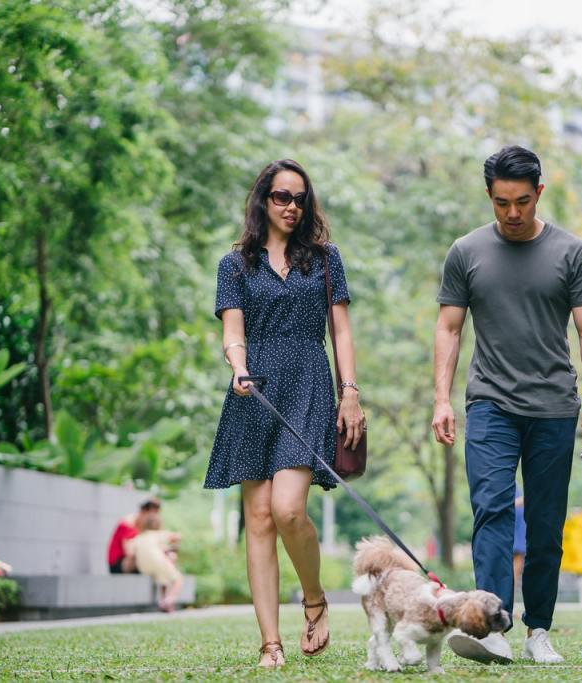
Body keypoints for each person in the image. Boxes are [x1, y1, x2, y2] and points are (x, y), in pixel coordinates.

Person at [432, 145, 582, 664]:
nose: (513, 213)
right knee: (491, 510)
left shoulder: (572, 252)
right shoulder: (466, 251)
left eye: (523, 201)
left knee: (547, 525)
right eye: (502, 202)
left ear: (540, 193)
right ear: (488, 195)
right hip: (489, 401)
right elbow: (448, 327)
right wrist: (442, 399)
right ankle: (490, 627)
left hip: (554, 405)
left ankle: (538, 631)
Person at [203, 159, 365, 669]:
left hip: (309, 381)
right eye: (281, 197)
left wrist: (351, 391)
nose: (292, 206)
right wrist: (238, 365)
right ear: (263, 201)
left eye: (299, 198)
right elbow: (233, 330)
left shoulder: (324, 258)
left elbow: (340, 329)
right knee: (257, 518)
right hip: (255, 390)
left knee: (288, 508)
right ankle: (270, 642)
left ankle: (314, 599)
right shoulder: (235, 264)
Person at [127, 516, 184, 612]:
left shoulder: (139, 537)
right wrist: (175, 542)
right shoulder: (158, 534)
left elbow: (130, 551)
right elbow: (177, 536)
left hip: (143, 566)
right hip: (157, 561)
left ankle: (163, 602)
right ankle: (168, 601)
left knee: (163, 579)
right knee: (178, 580)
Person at [107, 498, 161, 574]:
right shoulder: (128, 523)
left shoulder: (146, 526)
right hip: (118, 563)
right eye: (151, 516)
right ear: (143, 512)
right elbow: (129, 551)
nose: (153, 519)